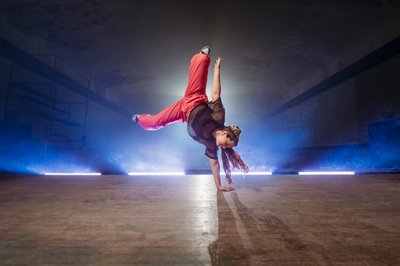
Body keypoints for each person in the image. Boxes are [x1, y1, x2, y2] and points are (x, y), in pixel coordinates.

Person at [132, 46, 249, 191]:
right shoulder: (219, 117)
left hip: (183, 112)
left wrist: (219, 186)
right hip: (195, 99)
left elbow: (215, 164)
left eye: (227, 148)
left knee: (156, 122)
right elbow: (216, 93)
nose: (224, 147)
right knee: (200, 67)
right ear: (225, 133)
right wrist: (217, 69)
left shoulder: (211, 144)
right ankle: (203, 56)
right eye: (227, 144)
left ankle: (139, 118)